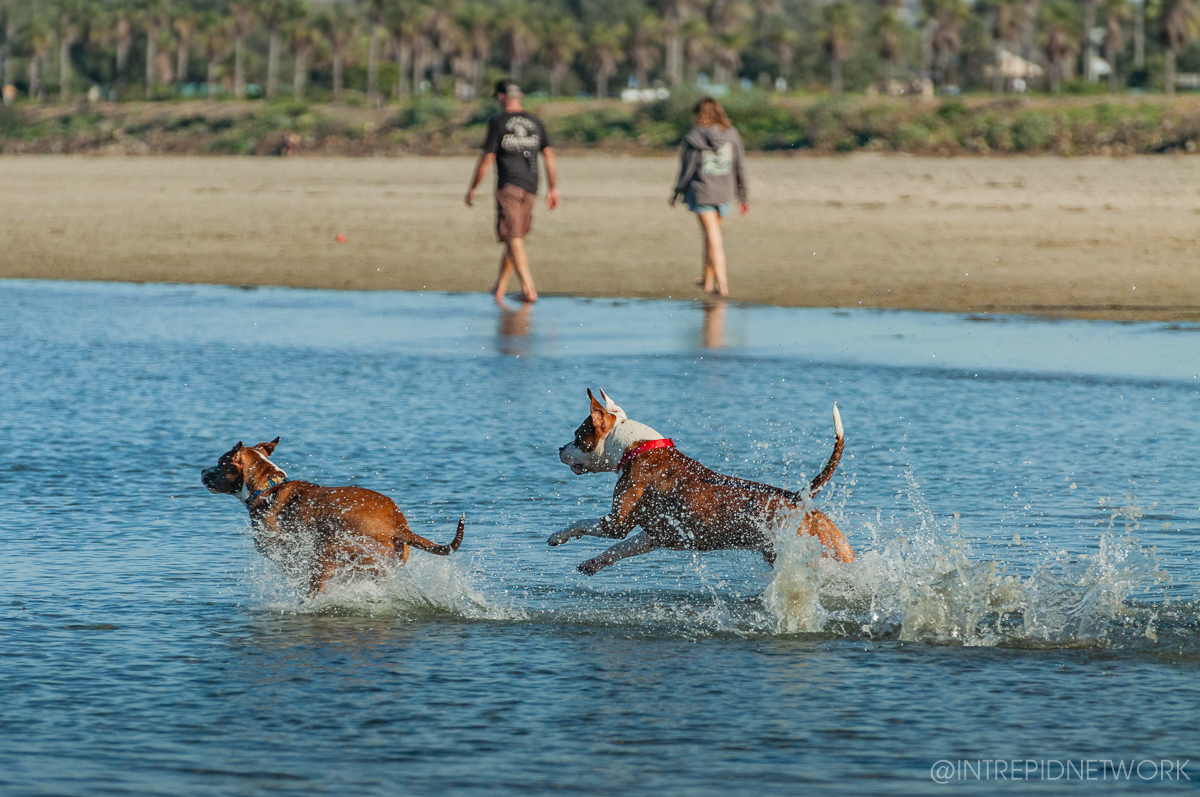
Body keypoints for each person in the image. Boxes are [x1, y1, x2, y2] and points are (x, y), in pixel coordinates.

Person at [465, 80, 559, 304]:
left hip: (509, 186)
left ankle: (529, 290)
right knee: (514, 236)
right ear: (520, 95)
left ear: (500, 97)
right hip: (532, 186)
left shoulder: (498, 122)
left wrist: (473, 187)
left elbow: (487, 158)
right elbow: (549, 156)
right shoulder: (535, 121)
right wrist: (553, 188)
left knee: (514, 236)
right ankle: (500, 287)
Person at [670, 97, 749, 297]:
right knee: (710, 238)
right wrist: (743, 196)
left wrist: (677, 191)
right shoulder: (732, 135)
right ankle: (707, 280)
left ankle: (722, 284)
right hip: (725, 193)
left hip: (702, 193)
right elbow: (740, 167)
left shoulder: (693, 137)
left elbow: (686, 170)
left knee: (713, 238)